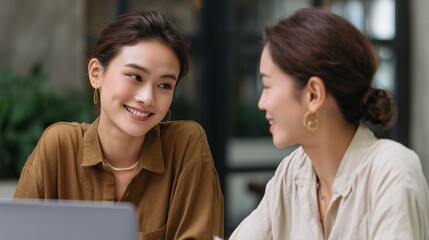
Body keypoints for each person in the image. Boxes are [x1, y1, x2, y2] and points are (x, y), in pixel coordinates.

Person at [14, 9, 224, 239]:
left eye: (164, 85)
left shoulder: (184, 145)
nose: (147, 98)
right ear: (96, 74)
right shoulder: (59, 146)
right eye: (135, 76)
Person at [229, 8, 429, 239]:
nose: (261, 103)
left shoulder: (392, 171)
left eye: (268, 85)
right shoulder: (292, 173)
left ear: (314, 95)